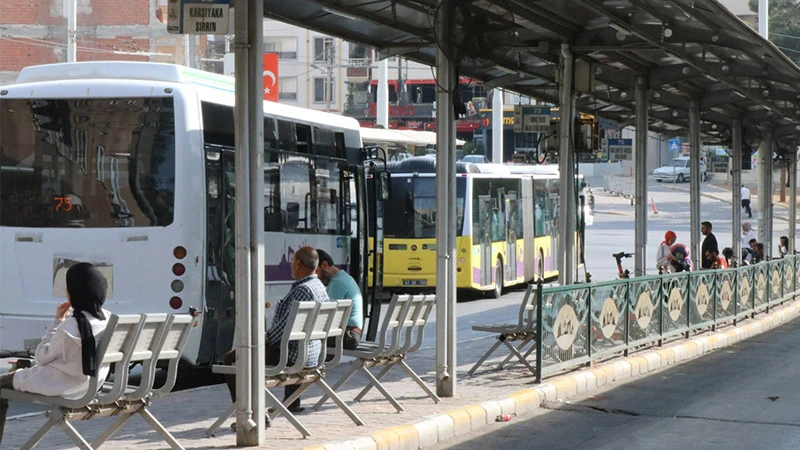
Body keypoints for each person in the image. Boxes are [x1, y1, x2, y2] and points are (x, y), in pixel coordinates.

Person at [0, 263, 110, 444]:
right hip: (90, 385)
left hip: (61, 386)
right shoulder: (107, 319)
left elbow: (41, 358)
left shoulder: (71, 326)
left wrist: (57, 321)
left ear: (73, 292)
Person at [223, 246, 330, 414]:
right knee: (287, 345)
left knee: (232, 358)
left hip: (296, 356)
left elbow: (283, 330)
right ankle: (291, 403)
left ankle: (246, 412)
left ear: (298, 264)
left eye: (292, 261)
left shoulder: (303, 290)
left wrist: (264, 339)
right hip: (313, 354)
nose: (290, 265)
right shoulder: (319, 287)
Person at [316, 249, 363, 350]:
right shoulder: (343, 277)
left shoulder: (338, 282)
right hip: (351, 333)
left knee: (307, 339)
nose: (317, 277)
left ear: (324, 265)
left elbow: (325, 316)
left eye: (316, 272)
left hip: (349, 336)